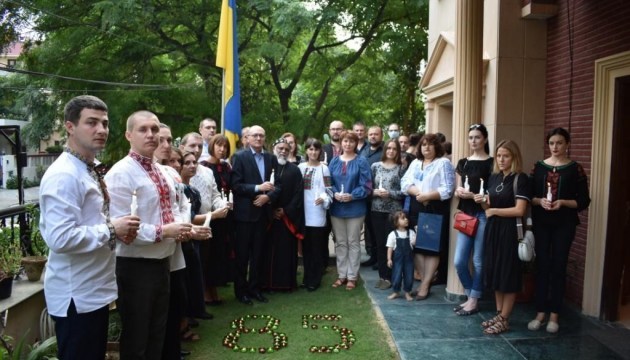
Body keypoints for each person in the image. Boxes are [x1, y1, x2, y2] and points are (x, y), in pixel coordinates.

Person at [39, 95, 140, 360]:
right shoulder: (64, 175)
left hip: (93, 291)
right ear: (70, 127)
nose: (101, 130)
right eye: (91, 123)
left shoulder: (86, 167)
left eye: (105, 123)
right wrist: (111, 229)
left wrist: (116, 233)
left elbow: (90, 222)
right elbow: (60, 238)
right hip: (76, 296)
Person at [105, 110, 193, 359]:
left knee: (158, 334)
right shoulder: (121, 172)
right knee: (137, 338)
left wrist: (182, 228)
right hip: (135, 266)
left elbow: (175, 208)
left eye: (154, 129)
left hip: (162, 262)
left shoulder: (161, 171)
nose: (151, 135)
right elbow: (121, 226)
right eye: (143, 129)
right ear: (128, 135)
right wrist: (165, 231)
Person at [527, 128, 590, 334]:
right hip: (541, 223)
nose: (555, 147)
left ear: (567, 144)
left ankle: (555, 314)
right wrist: (540, 201)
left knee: (558, 265)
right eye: (552, 143)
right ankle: (540, 312)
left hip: (565, 224)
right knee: (542, 265)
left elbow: (583, 200)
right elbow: (529, 197)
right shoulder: (538, 167)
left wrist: (563, 202)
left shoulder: (575, 169)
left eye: (560, 143)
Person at [474, 139, 530, 335]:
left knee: (508, 273)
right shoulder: (495, 178)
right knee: (496, 271)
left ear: (514, 157)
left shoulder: (520, 179)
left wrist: (494, 210)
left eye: (506, 156)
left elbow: (520, 210)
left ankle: (505, 318)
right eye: (499, 155)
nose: (501, 159)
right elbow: (488, 208)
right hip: (494, 229)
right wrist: (482, 201)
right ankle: (499, 314)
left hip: (510, 231)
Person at [230, 125, 281, 305]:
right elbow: (235, 185)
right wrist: (258, 189)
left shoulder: (270, 158)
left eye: (261, 135)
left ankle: (255, 289)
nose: (259, 138)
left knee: (259, 255)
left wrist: (267, 197)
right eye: (255, 135)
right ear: (248, 138)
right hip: (244, 215)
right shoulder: (239, 157)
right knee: (242, 256)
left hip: (263, 215)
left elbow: (278, 185)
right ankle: (241, 292)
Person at [401, 133, 455, 300]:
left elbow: (448, 189)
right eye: (423, 144)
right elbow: (404, 183)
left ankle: (424, 285)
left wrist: (428, 196)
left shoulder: (443, 163)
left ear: (436, 147)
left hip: (434, 208)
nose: (426, 147)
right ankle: (426, 280)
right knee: (416, 245)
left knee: (431, 249)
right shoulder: (416, 163)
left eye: (430, 144)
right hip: (417, 207)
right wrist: (418, 192)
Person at [180, 132, 229, 318]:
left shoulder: (207, 171)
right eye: (192, 146)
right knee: (191, 271)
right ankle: (192, 311)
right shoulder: (179, 170)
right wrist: (212, 215)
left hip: (210, 224)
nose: (197, 150)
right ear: (183, 146)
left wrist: (222, 205)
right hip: (191, 226)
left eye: (200, 146)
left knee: (206, 265)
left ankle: (200, 306)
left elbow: (215, 195)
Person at [453, 124, 493, 316]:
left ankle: (473, 300)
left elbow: (492, 192)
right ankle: (471, 296)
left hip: (483, 214)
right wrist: (459, 192)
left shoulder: (492, 163)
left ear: (485, 139)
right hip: (466, 215)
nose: (473, 141)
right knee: (460, 261)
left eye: (477, 137)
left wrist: (477, 196)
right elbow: (458, 190)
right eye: (470, 137)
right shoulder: (463, 162)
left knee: (478, 260)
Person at [329, 131, 372, 290]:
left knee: (353, 242)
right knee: (340, 243)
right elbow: (328, 183)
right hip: (337, 208)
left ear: (356, 143)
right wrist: (335, 193)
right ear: (341, 142)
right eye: (345, 141)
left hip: (355, 208)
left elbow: (367, 185)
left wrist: (352, 196)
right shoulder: (334, 162)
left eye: (351, 141)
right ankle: (342, 275)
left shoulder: (361, 162)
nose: (348, 144)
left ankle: (352, 276)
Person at [261, 138, 304, 291]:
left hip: (287, 218)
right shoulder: (266, 167)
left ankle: (286, 284)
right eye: (280, 148)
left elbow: (299, 195)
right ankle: (266, 283)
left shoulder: (295, 170)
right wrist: (270, 211)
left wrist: (285, 210)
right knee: (266, 251)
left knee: (286, 252)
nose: (283, 151)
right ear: (274, 148)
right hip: (268, 217)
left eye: (286, 149)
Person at [199, 134, 234, 303]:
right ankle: (206, 292)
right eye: (219, 146)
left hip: (225, 215)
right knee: (209, 255)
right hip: (210, 216)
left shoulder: (226, 167)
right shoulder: (203, 167)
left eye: (225, 147)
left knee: (219, 253)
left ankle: (214, 289)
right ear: (212, 146)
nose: (222, 149)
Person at [298, 138, 333, 292]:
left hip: (317, 213)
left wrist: (324, 198)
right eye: (310, 149)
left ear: (320, 151)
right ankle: (307, 278)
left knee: (316, 247)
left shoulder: (324, 169)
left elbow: (329, 189)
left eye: (316, 149)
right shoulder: (300, 167)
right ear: (306, 150)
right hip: (303, 212)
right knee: (306, 249)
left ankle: (315, 279)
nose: (313, 152)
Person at [371, 139, 405, 290]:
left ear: (398, 151)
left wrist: (389, 193)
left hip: (394, 213)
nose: (391, 151)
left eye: (394, 149)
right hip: (376, 210)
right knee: (379, 244)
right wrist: (374, 192)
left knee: (392, 244)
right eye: (388, 148)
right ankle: (382, 277)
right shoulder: (375, 167)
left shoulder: (401, 168)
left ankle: (391, 277)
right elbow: (368, 188)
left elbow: (404, 192)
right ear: (384, 150)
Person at [360, 125, 384, 268]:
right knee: (369, 228)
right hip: (366, 197)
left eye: (376, 134)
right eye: (371, 134)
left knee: (379, 230)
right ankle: (373, 256)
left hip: (380, 197)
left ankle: (381, 260)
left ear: (381, 136)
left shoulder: (385, 151)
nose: (373, 136)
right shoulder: (363, 150)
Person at [386, 211, 416, 301]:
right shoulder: (392, 234)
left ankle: (407, 292)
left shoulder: (411, 233)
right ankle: (396, 291)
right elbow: (390, 248)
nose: (406, 219)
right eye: (403, 218)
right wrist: (389, 259)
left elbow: (414, 243)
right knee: (396, 275)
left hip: (409, 260)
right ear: (396, 222)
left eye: (406, 217)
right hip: (397, 260)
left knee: (409, 276)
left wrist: (417, 235)